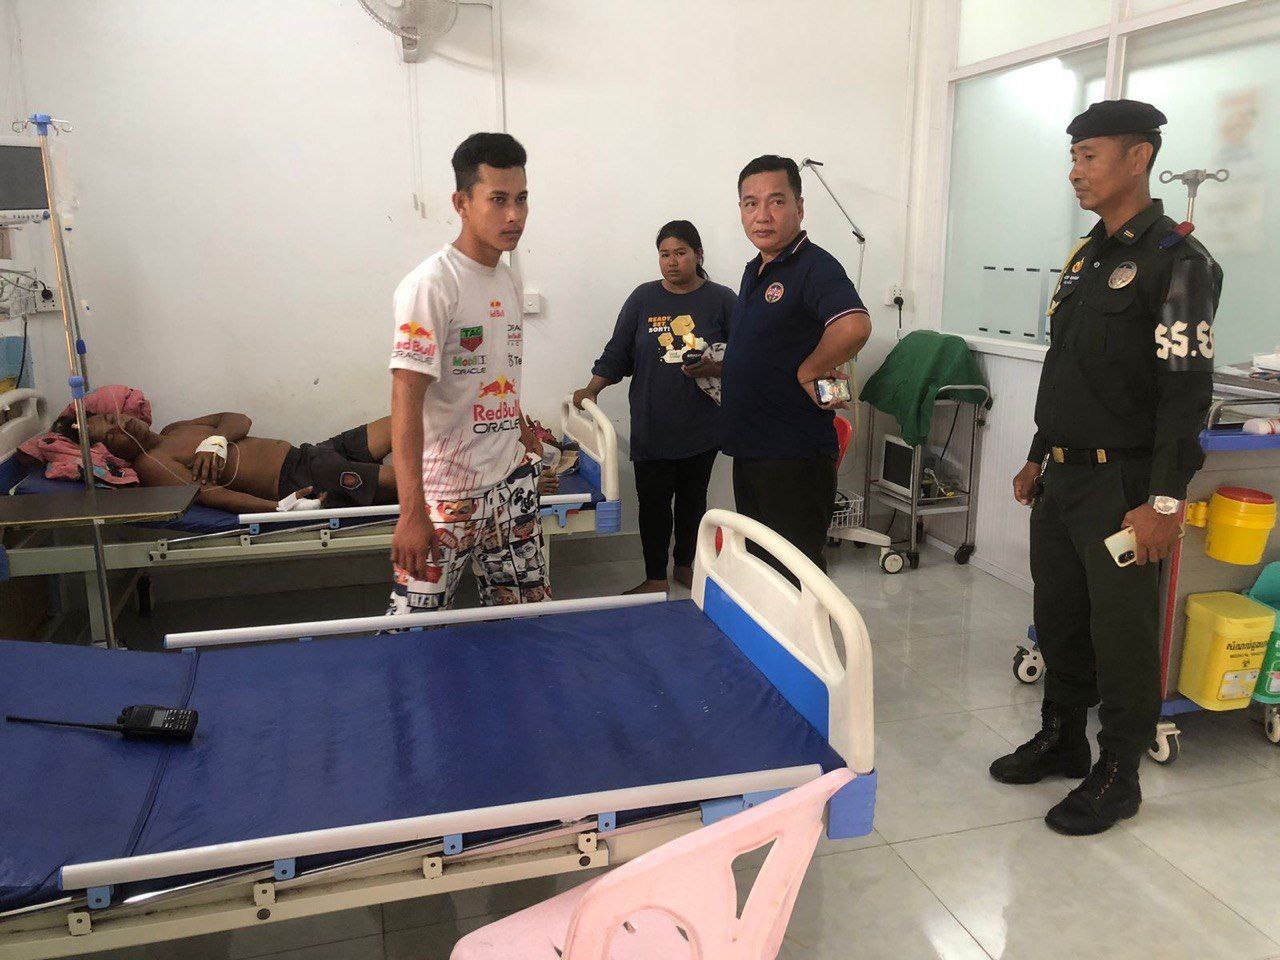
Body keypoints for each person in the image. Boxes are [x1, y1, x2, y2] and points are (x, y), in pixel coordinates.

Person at [991, 100, 1222, 836]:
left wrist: (1165, 500)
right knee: (1060, 617)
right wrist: (1038, 453)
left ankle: (1120, 772)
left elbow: (1185, 393)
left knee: (1122, 633)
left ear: (1138, 157)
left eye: (1089, 155)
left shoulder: (1179, 262)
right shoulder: (1088, 257)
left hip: (1123, 484)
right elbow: (1066, 367)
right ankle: (1063, 737)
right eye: (1074, 156)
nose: (1075, 171)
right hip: (1063, 476)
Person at [387, 132, 550, 613]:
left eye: (521, 199)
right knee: (413, 629)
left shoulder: (508, 279)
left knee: (524, 623)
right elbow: (405, 402)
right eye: (498, 200)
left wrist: (525, 437)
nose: (514, 215)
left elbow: (497, 376)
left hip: (512, 485)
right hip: (446, 496)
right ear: (461, 203)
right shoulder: (432, 285)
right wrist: (411, 511)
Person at [719, 155, 871, 572]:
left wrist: (809, 370)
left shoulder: (814, 266)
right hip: (753, 448)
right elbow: (768, 348)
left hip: (792, 455)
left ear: (799, 208)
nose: (762, 215)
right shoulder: (756, 269)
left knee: (795, 575)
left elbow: (854, 326)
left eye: (776, 201)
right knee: (761, 571)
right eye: (750, 203)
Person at [572, 221, 735, 593]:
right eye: (664, 254)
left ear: (698, 255)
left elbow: (746, 355)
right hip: (652, 423)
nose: (672, 262)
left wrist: (713, 368)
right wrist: (592, 388)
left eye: (680, 253)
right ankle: (655, 577)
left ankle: (685, 566)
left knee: (693, 500)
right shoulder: (643, 298)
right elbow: (618, 352)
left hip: (702, 424)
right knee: (654, 503)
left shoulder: (722, 300)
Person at [59, 410, 394, 513]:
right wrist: (279, 508)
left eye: (112, 418)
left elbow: (238, 419)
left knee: (403, 422)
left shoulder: (173, 429)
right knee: (409, 480)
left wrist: (216, 439)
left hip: (310, 452)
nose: (122, 426)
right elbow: (211, 495)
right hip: (306, 477)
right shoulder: (152, 463)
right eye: (112, 435)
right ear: (112, 453)